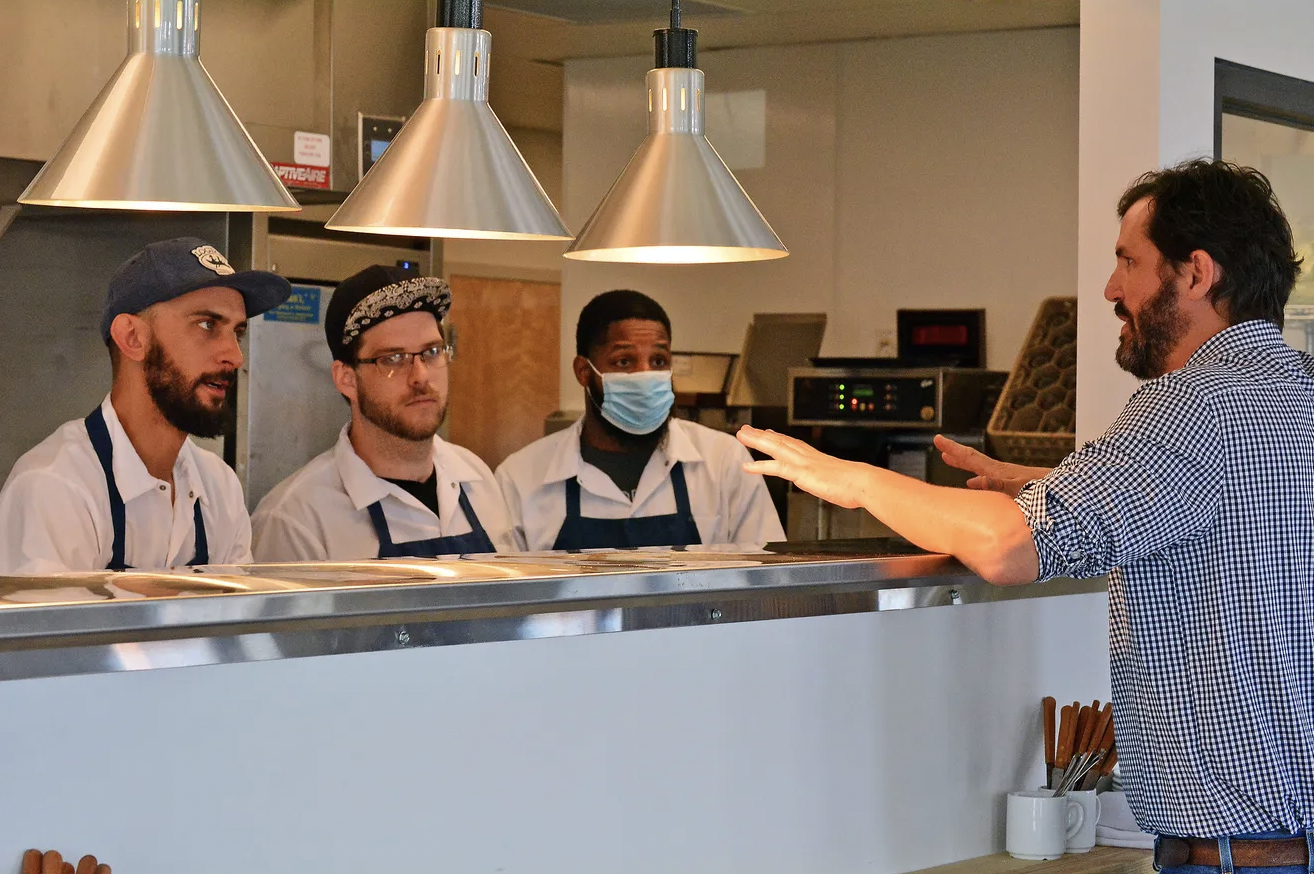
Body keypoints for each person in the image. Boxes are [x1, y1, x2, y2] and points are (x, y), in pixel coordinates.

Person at [738, 159, 1314, 869]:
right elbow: (1244, 504)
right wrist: (1055, 482)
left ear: (1196, 274)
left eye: (1127, 263)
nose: (1111, 290)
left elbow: (1009, 550)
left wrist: (849, 479)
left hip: (1243, 859)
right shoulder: (1295, 390)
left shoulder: (1191, 404)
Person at [0, 237, 292, 573]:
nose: (235, 356)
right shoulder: (54, 489)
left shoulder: (219, 487)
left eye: (237, 332)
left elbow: (239, 625)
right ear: (132, 338)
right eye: (207, 325)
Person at [251, 266, 512, 560]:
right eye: (393, 358)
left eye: (432, 352)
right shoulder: (295, 519)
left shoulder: (477, 478)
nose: (421, 376)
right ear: (346, 379)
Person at [496, 289, 784, 551]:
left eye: (658, 361)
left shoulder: (724, 462)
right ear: (584, 371)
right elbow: (503, 597)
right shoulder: (521, 478)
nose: (645, 375)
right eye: (624, 361)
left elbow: (765, 579)